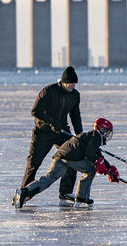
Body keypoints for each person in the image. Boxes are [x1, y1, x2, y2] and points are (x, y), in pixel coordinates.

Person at [13, 66, 83, 207]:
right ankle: (24, 192)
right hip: (42, 132)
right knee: (33, 164)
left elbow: (75, 115)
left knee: (72, 157)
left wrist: (79, 135)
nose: (72, 86)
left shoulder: (75, 95)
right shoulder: (49, 91)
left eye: (74, 83)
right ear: (63, 82)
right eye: (69, 83)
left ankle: (65, 192)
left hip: (61, 132)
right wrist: (51, 122)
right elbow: (35, 111)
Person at [14, 118, 119, 209]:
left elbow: (96, 153)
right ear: (100, 128)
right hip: (70, 157)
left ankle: (24, 192)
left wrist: (108, 168)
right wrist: (102, 166)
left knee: (49, 178)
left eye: (109, 132)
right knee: (91, 170)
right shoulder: (96, 136)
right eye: (106, 131)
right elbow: (91, 154)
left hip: (61, 156)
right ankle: (81, 198)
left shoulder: (92, 136)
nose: (107, 134)